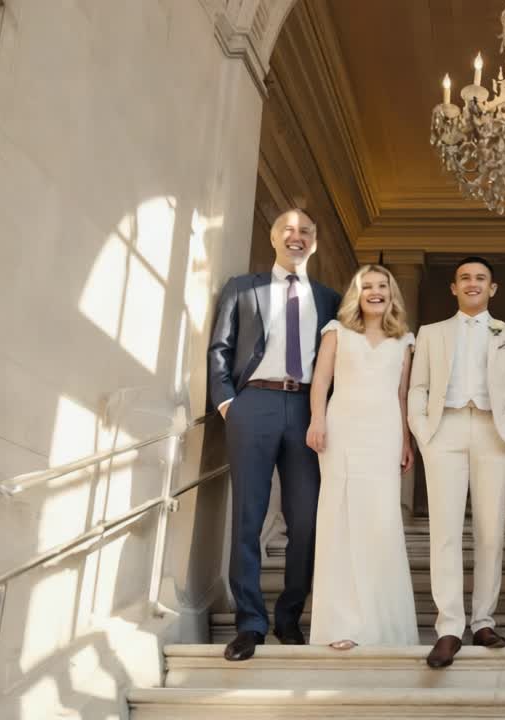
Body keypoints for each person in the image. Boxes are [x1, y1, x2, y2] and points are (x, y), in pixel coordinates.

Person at [206, 209, 341, 661]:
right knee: (248, 515)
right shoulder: (242, 288)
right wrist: (228, 403)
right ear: (273, 238)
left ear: (315, 242)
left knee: (305, 521)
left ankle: (289, 618)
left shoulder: (330, 299)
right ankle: (249, 623)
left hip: (307, 408)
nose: (296, 236)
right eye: (288, 230)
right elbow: (220, 348)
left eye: (305, 230)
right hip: (254, 404)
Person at [408, 257, 505, 668]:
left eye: (480, 278)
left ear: (492, 288)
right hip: (445, 430)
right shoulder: (431, 333)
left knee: (491, 531)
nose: (472, 283)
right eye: (465, 278)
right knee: (444, 531)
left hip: (495, 434)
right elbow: (418, 387)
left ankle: (483, 620)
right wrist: (425, 434)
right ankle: (448, 627)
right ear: (454, 288)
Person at [305, 265, 419, 649]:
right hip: (342, 431)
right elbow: (321, 380)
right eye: (366, 286)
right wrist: (317, 420)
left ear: (392, 293)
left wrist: (405, 441)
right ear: (356, 293)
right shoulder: (337, 332)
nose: (374, 292)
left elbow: (402, 395)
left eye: (382, 286)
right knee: (340, 520)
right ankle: (342, 624)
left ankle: (381, 625)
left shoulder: (404, 339)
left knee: (382, 522)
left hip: (384, 433)